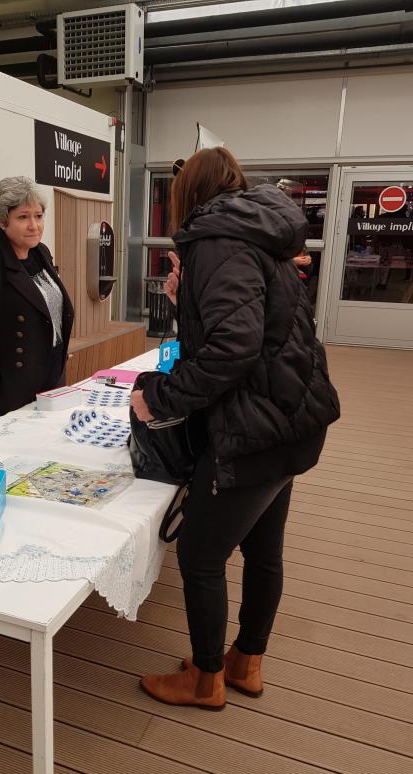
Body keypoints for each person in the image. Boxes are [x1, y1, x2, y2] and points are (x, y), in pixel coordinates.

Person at [132, 147, 340, 711]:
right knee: (263, 549)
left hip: (252, 430)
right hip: (292, 420)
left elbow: (232, 349)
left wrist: (161, 399)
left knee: (199, 557)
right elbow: (260, 328)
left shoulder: (215, 242)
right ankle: (245, 662)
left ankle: (205, 679)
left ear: (188, 193)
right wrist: (184, 301)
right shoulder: (260, 237)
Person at [0, 176, 74, 432]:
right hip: (6, 394)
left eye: (39, 216)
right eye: (23, 217)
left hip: (50, 382)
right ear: (1, 220)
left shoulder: (40, 253)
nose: (34, 226)